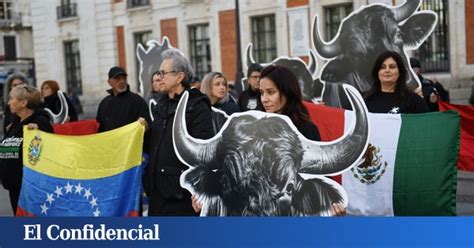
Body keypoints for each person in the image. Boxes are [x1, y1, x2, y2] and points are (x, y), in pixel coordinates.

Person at [144, 49, 214, 216]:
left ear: (179, 77)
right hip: (157, 195)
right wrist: (145, 132)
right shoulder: (161, 105)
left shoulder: (197, 105)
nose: (159, 77)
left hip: (181, 197)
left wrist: (198, 190)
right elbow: (155, 145)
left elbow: (203, 152)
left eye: (163, 72)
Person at [0, 85, 53, 214]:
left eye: (12, 98)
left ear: (23, 103)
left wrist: (40, 129)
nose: (9, 102)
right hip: (14, 185)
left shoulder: (39, 121)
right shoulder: (15, 124)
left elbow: (50, 144)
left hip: (30, 187)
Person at [259, 65, 321, 141]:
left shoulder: (307, 130)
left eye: (270, 92)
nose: (264, 99)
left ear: (287, 92)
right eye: (261, 93)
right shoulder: (258, 127)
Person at [365, 51, 429, 114]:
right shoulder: (365, 100)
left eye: (392, 67)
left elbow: (425, 122)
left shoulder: (414, 101)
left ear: (400, 72)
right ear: (377, 72)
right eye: (382, 67)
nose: (387, 70)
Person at [96, 66, 150, 132]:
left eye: (124, 78)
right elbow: (98, 128)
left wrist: (144, 124)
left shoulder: (137, 101)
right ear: (109, 82)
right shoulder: (104, 103)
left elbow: (146, 127)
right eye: (117, 78)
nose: (122, 81)